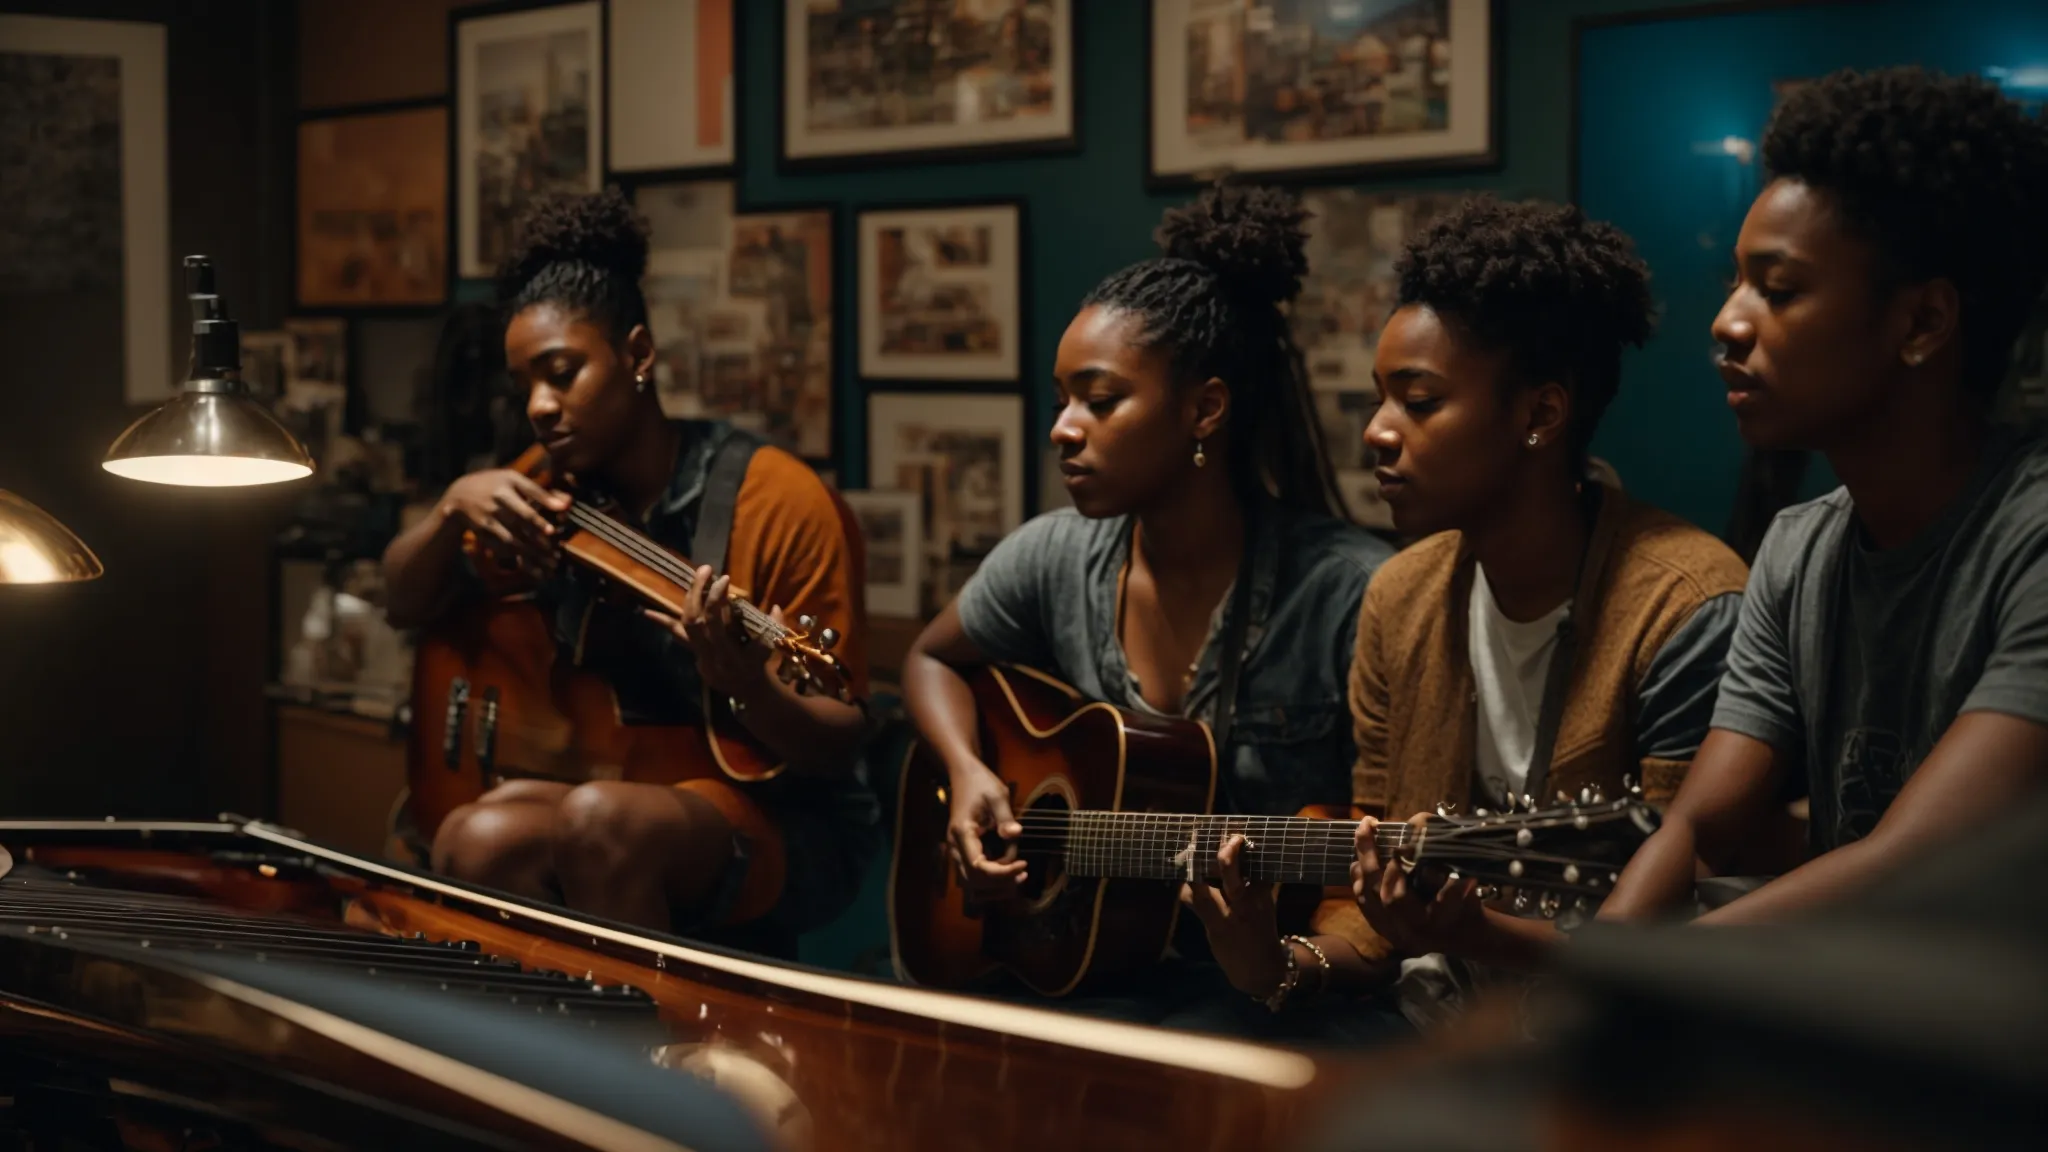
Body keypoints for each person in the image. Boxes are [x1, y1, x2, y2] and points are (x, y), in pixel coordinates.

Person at [901, 184, 1400, 1041]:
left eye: (1098, 400)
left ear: (1205, 408)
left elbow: (1380, 859)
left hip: (1264, 996)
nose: (1062, 428)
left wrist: (1286, 956)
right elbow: (930, 660)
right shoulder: (1053, 554)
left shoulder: (1349, 591)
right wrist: (969, 775)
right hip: (1087, 971)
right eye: (1061, 398)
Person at [1234, 196, 1749, 1022]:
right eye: (1379, 398)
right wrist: (1280, 962)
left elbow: (1685, 922)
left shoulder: (1685, 605)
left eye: (1420, 401)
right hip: (1428, 1029)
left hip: (1619, 1046)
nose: (1376, 432)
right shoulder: (1398, 596)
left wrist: (1478, 936)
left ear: (1541, 413)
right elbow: (1373, 896)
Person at [1588, 65, 2048, 928]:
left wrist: (1639, 979)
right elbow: (1695, 830)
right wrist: (1594, 974)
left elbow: (1908, 862)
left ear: (1922, 324)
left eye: (1780, 288)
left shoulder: (2031, 536)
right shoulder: (1800, 547)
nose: (1728, 321)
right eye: (1736, 281)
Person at [381, 188, 878, 954]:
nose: (541, 408)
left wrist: (746, 681)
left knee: (601, 821)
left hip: (784, 813)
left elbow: (837, 744)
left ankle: (647, 1061)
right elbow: (405, 602)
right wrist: (451, 510)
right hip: (624, 785)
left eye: (562, 372)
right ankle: (543, 1054)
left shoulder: (775, 497)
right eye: (526, 388)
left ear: (638, 355)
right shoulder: (540, 486)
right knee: (471, 839)